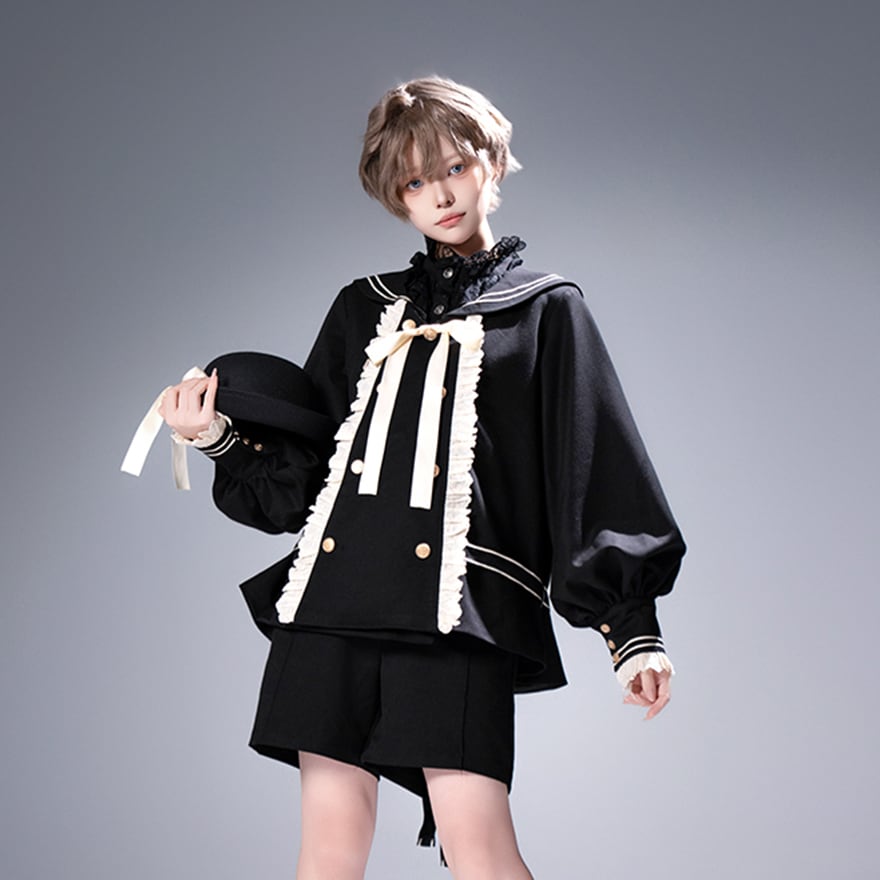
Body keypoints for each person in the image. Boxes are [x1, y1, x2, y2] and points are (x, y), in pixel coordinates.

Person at [158, 76, 685, 880]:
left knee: (479, 846)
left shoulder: (547, 310)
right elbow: (304, 486)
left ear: (491, 164)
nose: (438, 195)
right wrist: (216, 437)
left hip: (460, 613)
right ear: (392, 194)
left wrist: (631, 628)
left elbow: (595, 465)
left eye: (454, 169)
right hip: (330, 605)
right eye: (413, 182)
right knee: (328, 850)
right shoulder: (360, 308)